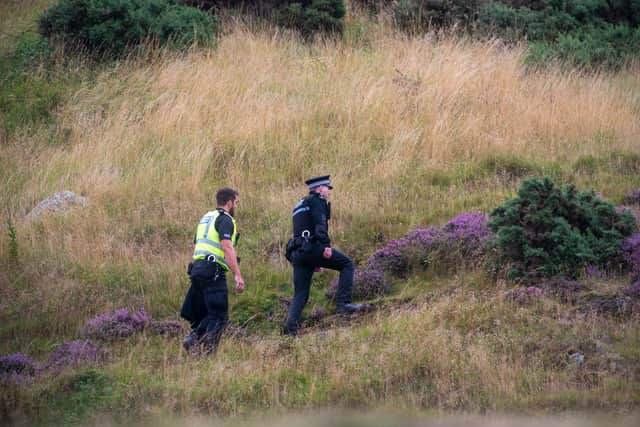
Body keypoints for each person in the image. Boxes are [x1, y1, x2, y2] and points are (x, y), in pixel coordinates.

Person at [284, 175, 365, 336]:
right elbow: (320, 225)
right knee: (347, 264)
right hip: (313, 248)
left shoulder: (300, 203)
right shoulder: (317, 201)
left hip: (298, 253)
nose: (328, 191)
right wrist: (325, 246)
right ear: (320, 188)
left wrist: (314, 259)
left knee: (300, 293)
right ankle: (344, 305)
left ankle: (290, 330)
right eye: (327, 188)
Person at [180, 187, 245, 353]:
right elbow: (226, 246)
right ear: (229, 203)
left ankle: (194, 337)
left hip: (197, 269)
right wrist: (237, 274)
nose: (236, 206)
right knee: (219, 315)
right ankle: (207, 352)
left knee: (206, 313)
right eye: (236, 203)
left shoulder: (206, 218)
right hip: (213, 271)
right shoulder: (226, 219)